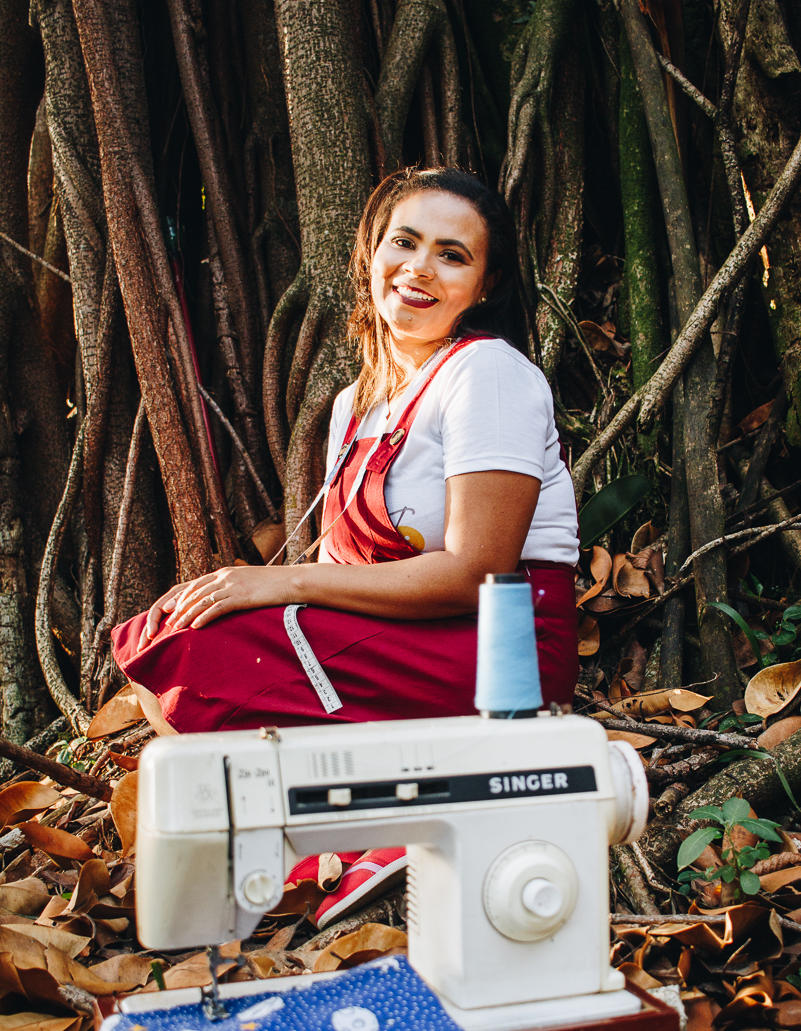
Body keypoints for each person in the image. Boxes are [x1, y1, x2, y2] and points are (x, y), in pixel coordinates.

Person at [112, 167, 579, 926]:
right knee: (173, 630)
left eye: (453, 255)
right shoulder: (354, 405)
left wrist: (282, 585)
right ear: (371, 254)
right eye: (406, 242)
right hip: (401, 628)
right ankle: (326, 838)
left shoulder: (488, 375)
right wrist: (284, 592)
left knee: (202, 653)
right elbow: (345, 568)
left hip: (500, 642)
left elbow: (477, 574)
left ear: (486, 284)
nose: (421, 268)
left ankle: (374, 832)